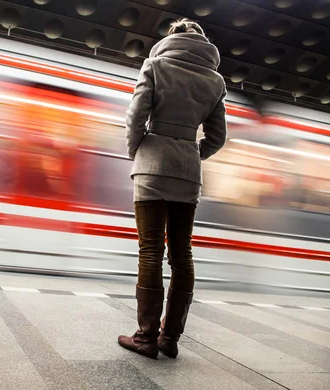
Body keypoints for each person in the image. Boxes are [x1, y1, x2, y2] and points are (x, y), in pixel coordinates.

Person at [117, 18, 227, 359]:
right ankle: (170, 338)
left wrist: (138, 151)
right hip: (188, 171)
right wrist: (192, 152)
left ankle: (146, 337)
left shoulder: (155, 64)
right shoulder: (215, 79)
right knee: (182, 255)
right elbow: (217, 137)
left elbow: (136, 116)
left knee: (150, 250)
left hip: (152, 164)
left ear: (171, 38)